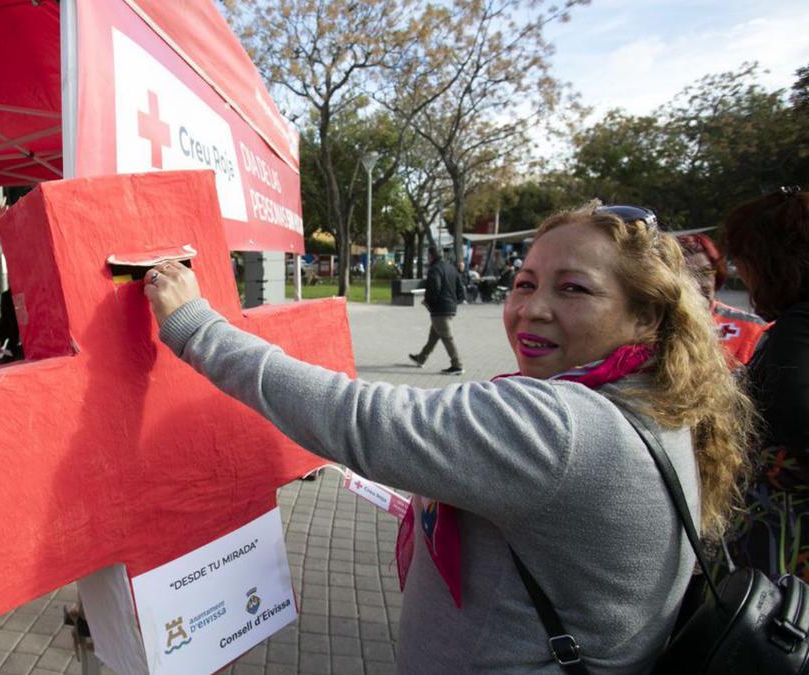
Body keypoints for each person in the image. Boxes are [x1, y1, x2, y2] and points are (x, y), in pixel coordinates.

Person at [142, 204, 753, 671]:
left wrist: (195, 326)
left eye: (574, 289)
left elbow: (359, 418)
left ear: (646, 317)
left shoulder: (561, 425)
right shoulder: (656, 399)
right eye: (525, 283)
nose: (532, 309)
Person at [720, 188, 809, 580]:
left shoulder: (797, 330)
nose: (742, 273)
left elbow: (792, 414)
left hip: (787, 540)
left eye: (743, 261)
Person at [676, 233, 768, 365]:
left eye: (706, 272)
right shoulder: (649, 329)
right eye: (688, 275)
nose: (700, 283)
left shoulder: (753, 329)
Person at [408, 246, 465, 374]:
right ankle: (421, 358)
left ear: (431, 256)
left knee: (447, 337)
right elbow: (460, 288)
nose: (427, 259)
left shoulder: (435, 269)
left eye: (428, 256)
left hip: (440, 309)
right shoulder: (451, 268)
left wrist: (428, 301)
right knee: (433, 336)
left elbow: (434, 287)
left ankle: (457, 365)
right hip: (450, 307)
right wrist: (456, 301)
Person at [0, 286, 24, 362]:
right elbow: (5, 322)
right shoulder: (7, 296)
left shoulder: (39, 292)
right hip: (14, 347)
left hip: (37, 347)